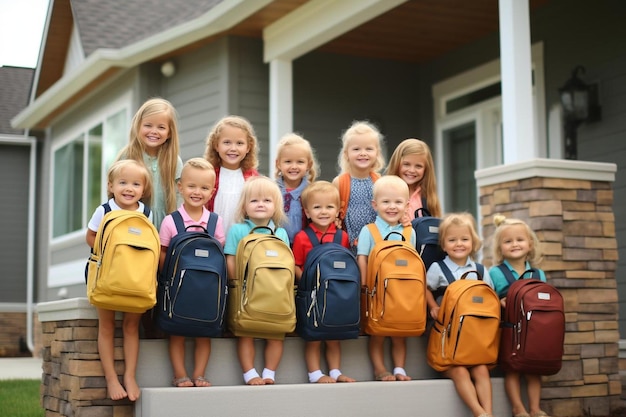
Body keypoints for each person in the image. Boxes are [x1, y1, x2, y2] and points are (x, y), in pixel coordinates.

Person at [86, 159, 154, 401]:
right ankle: (111, 378)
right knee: (106, 326)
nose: (129, 188)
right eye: (123, 182)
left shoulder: (146, 213)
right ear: (111, 185)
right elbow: (91, 237)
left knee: (131, 327)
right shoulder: (104, 210)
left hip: (136, 280)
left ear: (144, 189)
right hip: (107, 277)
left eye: (136, 184)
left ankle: (130, 376)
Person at [158, 158, 225, 388]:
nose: (197, 192)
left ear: (212, 191)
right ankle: (180, 374)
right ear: (180, 186)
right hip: (178, 289)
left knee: (204, 333)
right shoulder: (170, 221)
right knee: (176, 332)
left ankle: (199, 374)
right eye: (192, 186)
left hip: (207, 290)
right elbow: (163, 255)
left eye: (204, 188)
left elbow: (220, 256)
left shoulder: (216, 222)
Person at [425, 212, 495, 417]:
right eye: (452, 240)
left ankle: (488, 413)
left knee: (481, 369)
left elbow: (490, 297)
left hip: (474, 340)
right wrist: (432, 306)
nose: (459, 244)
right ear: (444, 245)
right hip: (448, 342)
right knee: (459, 371)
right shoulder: (438, 268)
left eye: (464, 239)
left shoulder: (481, 271)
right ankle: (479, 412)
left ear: (473, 243)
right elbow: (426, 288)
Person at [224, 176, 290, 385]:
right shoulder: (237, 230)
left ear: (276, 206)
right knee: (246, 331)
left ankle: (270, 372)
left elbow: (286, 265)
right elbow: (231, 258)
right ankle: (250, 373)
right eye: (254, 201)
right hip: (246, 291)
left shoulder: (280, 233)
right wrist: (235, 283)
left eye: (267, 201)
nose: (260, 204)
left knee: (276, 333)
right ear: (244, 206)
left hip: (275, 291)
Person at [292, 181, 356, 384]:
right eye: (317, 207)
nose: (323, 211)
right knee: (314, 335)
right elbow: (296, 265)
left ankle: (336, 371)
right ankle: (315, 374)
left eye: (329, 207)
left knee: (334, 335)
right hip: (312, 295)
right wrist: (308, 284)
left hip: (336, 295)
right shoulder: (302, 237)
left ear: (338, 210)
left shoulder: (342, 236)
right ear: (307, 212)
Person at [356, 175, 416, 382]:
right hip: (376, 291)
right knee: (378, 333)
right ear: (375, 204)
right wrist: (364, 286)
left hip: (402, 291)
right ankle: (380, 369)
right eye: (386, 202)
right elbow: (362, 258)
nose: (392, 207)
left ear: (407, 205)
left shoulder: (410, 232)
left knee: (400, 332)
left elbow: (412, 262)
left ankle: (400, 368)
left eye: (398, 202)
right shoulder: (369, 231)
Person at [490, 215, 550, 417]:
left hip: (533, 331)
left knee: (534, 369)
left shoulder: (538, 274)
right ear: (500, 248)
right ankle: (518, 408)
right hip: (509, 330)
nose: (514, 244)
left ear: (530, 244)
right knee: (512, 369)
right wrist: (500, 302)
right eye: (508, 241)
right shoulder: (495, 273)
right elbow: (489, 300)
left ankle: (535, 408)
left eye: (519, 240)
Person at [116, 97, 183, 230]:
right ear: (138, 126)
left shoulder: (174, 161)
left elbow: (180, 195)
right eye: (148, 125)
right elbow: (115, 190)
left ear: (169, 133)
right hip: (133, 225)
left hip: (166, 226)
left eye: (161, 127)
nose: (154, 131)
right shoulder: (127, 156)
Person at [332, 120, 386, 252]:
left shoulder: (380, 182)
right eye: (356, 149)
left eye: (369, 149)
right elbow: (332, 210)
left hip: (376, 243)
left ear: (377, 153)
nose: (363, 153)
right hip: (348, 245)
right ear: (346, 154)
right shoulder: (340, 182)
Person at [204, 115, 260, 235]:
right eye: (227, 142)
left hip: (243, 240)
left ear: (248, 147)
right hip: (212, 238)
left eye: (239, 143)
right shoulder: (208, 175)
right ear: (216, 145)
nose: (233, 148)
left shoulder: (253, 178)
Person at [274, 133, 320, 244]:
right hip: (276, 245)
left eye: (300, 162)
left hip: (305, 246)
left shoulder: (312, 192)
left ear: (308, 165)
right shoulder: (272, 190)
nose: (294, 166)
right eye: (288, 161)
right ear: (278, 164)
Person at [385, 138, 441, 220]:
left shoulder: (428, 198)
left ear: (426, 169)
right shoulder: (385, 192)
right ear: (396, 163)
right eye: (406, 164)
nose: (411, 170)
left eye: (418, 166)